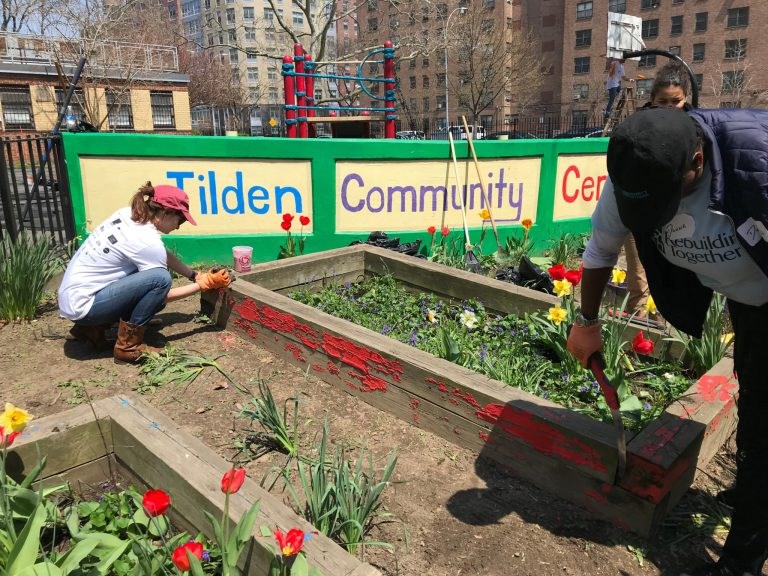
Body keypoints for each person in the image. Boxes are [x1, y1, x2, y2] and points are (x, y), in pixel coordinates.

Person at [567, 106, 768, 576]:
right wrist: (586, 320)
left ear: (696, 163)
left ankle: (740, 560)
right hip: (748, 297)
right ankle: (755, 477)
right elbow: (601, 248)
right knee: (753, 392)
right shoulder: (638, 168)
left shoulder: (756, 167)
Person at [58, 182, 232, 363]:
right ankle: (128, 347)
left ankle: (90, 331)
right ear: (165, 212)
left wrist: (194, 275)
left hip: (73, 298)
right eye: (180, 220)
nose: (179, 226)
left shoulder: (128, 214)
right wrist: (203, 285)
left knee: (149, 277)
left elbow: (159, 252)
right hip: (86, 307)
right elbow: (161, 294)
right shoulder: (147, 240)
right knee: (160, 279)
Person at [620, 62, 693, 321]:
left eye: (676, 101)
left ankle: (664, 324)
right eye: (662, 101)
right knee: (639, 269)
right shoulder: (638, 127)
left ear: (686, 98)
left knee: (672, 269)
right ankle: (637, 324)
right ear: (652, 99)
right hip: (640, 208)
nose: (669, 107)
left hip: (677, 212)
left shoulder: (693, 127)